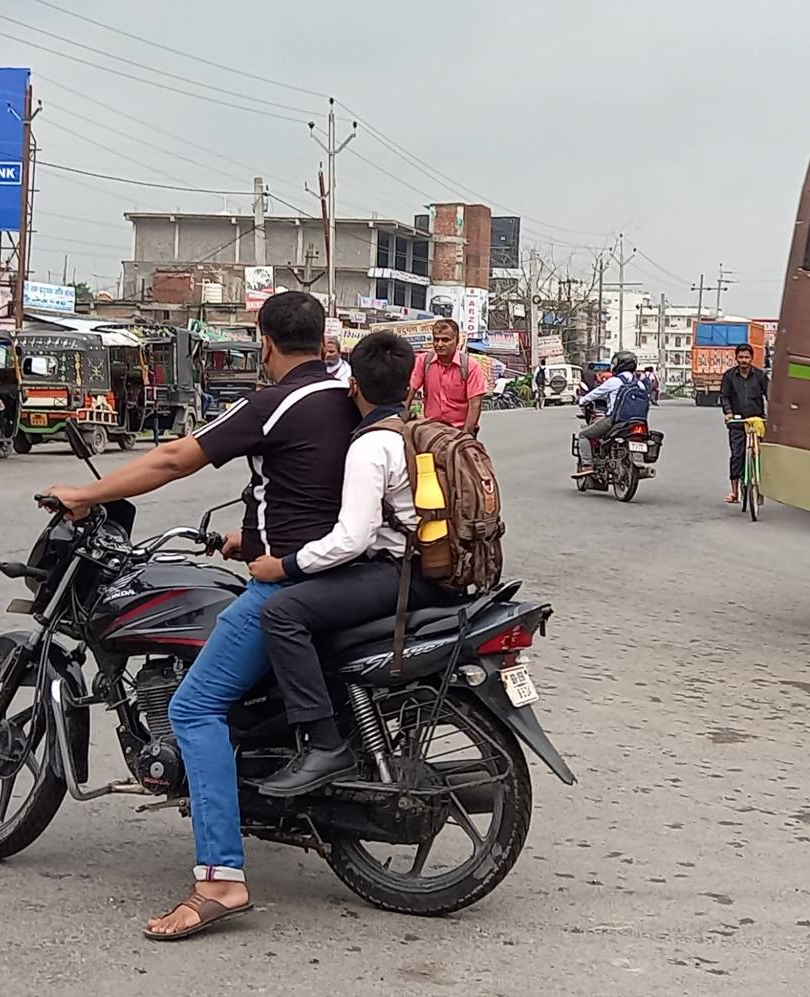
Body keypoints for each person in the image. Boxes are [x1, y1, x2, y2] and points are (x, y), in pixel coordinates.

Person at [42, 290, 356, 942]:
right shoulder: (340, 395)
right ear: (323, 340)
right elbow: (311, 486)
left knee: (191, 708)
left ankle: (219, 879)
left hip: (290, 588)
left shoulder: (274, 402)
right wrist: (250, 540)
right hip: (337, 572)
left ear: (264, 341)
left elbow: (172, 457)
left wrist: (85, 493)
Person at [245, 331, 431, 797]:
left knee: (282, 612)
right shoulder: (416, 432)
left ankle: (325, 744)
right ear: (409, 389)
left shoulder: (371, 445)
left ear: (353, 387)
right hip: (436, 570)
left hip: (402, 574)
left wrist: (283, 566)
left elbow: (353, 538)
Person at [408, 318, 486, 435]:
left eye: (445, 340)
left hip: (459, 431)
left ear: (457, 340)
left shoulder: (470, 366)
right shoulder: (424, 362)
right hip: (431, 431)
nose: (439, 344)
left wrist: (466, 436)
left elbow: (475, 405)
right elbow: (410, 390)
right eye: (436, 340)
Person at [572, 351, 643, 476]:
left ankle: (587, 465)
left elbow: (594, 394)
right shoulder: (640, 384)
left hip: (616, 420)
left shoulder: (614, 381)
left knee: (584, 435)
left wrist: (582, 401)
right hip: (638, 422)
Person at [719, 343, 768, 504]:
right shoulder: (729, 376)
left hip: (757, 422)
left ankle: (760, 489)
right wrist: (728, 413)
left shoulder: (760, 376)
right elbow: (724, 396)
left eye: (747, 357)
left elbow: (770, 395)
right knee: (737, 456)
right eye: (741, 357)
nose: (744, 360)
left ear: (752, 358)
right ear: (736, 358)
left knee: (760, 455)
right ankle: (734, 492)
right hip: (737, 422)